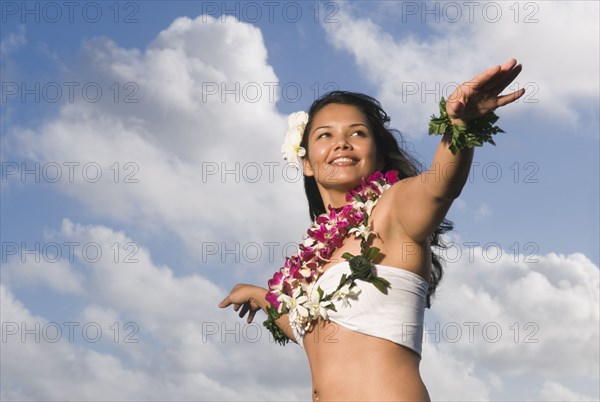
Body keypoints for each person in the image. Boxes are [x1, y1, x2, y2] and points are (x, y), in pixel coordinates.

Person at [218, 58, 525, 401]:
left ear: (378, 157)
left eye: (357, 133)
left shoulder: (393, 211)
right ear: (306, 161)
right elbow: (312, 327)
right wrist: (262, 297)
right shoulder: (318, 259)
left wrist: (459, 125)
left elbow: (439, 186)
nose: (341, 143)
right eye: (325, 135)